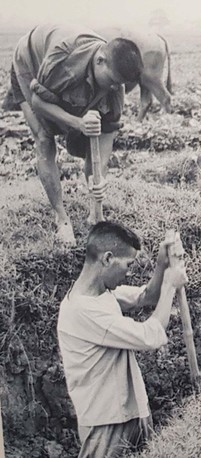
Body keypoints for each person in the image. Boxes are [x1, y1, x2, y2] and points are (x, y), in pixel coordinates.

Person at [56, 221, 187, 457]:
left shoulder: (101, 295)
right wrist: (170, 285)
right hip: (106, 424)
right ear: (107, 259)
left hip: (132, 409)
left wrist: (161, 265)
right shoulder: (82, 311)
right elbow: (149, 336)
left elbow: (147, 296)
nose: (129, 271)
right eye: (128, 264)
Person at [9, 24, 144, 245]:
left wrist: (99, 179)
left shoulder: (115, 85)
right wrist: (77, 122)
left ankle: (94, 213)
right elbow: (39, 102)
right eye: (110, 81)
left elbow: (107, 132)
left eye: (118, 84)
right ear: (100, 61)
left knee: (93, 129)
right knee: (43, 137)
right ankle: (61, 219)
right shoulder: (64, 59)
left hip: (67, 75)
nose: (113, 88)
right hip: (30, 61)